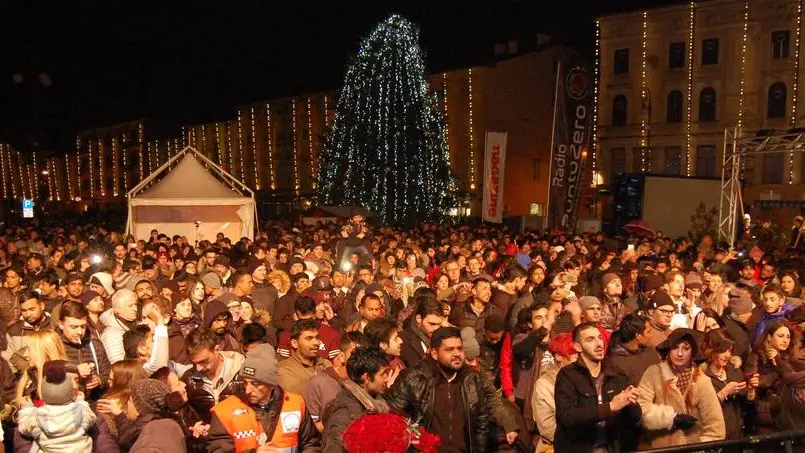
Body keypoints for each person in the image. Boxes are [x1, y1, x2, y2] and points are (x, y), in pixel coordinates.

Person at [385, 326, 490, 453]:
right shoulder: (414, 378)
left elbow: (481, 421)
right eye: (449, 349)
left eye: (459, 349)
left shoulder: (471, 379)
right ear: (434, 353)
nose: (457, 354)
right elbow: (393, 418)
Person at [207, 343, 321, 452]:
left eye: (256, 384)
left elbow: (311, 444)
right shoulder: (225, 411)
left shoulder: (295, 404)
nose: (248, 390)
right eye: (245, 382)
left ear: (271, 384)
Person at [554, 322, 642, 453]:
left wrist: (631, 403)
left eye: (600, 338)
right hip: (578, 448)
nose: (599, 344)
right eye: (590, 339)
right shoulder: (568, 375)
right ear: (578, 347)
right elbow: (568, 417)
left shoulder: (616, 373)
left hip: (611, 447)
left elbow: (634, 419)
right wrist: (611, 406)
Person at [637, 328, 726, 448]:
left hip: (689, 447)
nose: (679, 353)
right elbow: (641, 408)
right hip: (656, 447)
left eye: (686, 348)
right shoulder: (654, 373)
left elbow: (715, 427)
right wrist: (670, 418)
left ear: (692, 352)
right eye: (675, 347)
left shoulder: (701, 381)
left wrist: (699, 450)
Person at [17, 360, 96, 453]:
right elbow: (91, 416)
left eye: (76, 380)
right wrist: (80, 400)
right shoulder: (82, 412)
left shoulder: (37, 417)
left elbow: (24, 426)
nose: (74, 385)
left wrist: (27, 408)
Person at [322, 347, 391, 452]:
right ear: (366, 378)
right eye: (382, 374)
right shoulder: (345, 412)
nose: (387, 378)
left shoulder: (377, 401)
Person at [303, 332, 369, 432]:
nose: (360, 361)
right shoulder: (318, 383)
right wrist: (340, 421)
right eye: (355, 355)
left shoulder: (364, 383)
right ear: (342, 356)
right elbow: (309, 429)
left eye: (364, 356)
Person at [181, 328, 245, 423]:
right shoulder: (189, 380)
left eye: (204, 361)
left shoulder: (242, 372)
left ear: (217, 349)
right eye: (194, 363)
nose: (199, 368)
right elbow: (186, 415)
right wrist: (195, 426)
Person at [701, 329, 754, 439]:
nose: (727, 355)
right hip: (714, 436)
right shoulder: (702, 376)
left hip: (736, 435)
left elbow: (745, 407)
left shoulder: (734, 371)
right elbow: (702, 410)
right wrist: (724, 393)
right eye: (723, 351)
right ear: (711, 351)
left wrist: (750, 394)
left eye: (729, 351)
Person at [57, 301, 112, 401]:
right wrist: (74, 369)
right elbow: (43, 370)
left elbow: (107, 371)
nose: (79, 332)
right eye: (73, 327)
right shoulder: (52, 344)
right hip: (62, 405)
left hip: (91, 403)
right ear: (61, 324)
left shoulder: (94, 343)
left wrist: (100, 380)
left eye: (83, 326)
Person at [532, 333, 577, 453]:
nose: (579, 359)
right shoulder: (544, 385)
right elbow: (547, 427)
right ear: (559, 357)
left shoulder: (583, 378)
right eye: (573, 354)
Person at [126, 378, 187, 453]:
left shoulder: (148, 441)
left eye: (130, 400)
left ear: (140, 408)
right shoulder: (171, 426)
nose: (127, 404)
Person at [277, 319, 333, 394]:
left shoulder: (326, 364)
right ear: (294, 343)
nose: (316, 342)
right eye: (309, 338)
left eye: (317, 338)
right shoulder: (284, 370)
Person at [4, 289, 54, 371]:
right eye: (24, 310)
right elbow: (9, 361)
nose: (28, 314)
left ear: (42, 306)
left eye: (32, 309)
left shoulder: (53, 326)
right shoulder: (14, 330)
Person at [607, 313, 660, 387]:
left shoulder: (650, 351)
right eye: (648, 332)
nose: (650, 335)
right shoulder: (614, 363)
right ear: (638, 336)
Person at [399, 299, 446, 368]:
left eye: (439, 324)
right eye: (432, 324)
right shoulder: (403, 340)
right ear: (419, 319)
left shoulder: (441, 337)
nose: (436, 328)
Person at [100, 289, 140, 364]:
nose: (135, 309)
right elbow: (118, 364)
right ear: (117, 309)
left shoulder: (137, 324)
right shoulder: (111, 334)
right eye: (130, 306)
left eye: (135, 304)